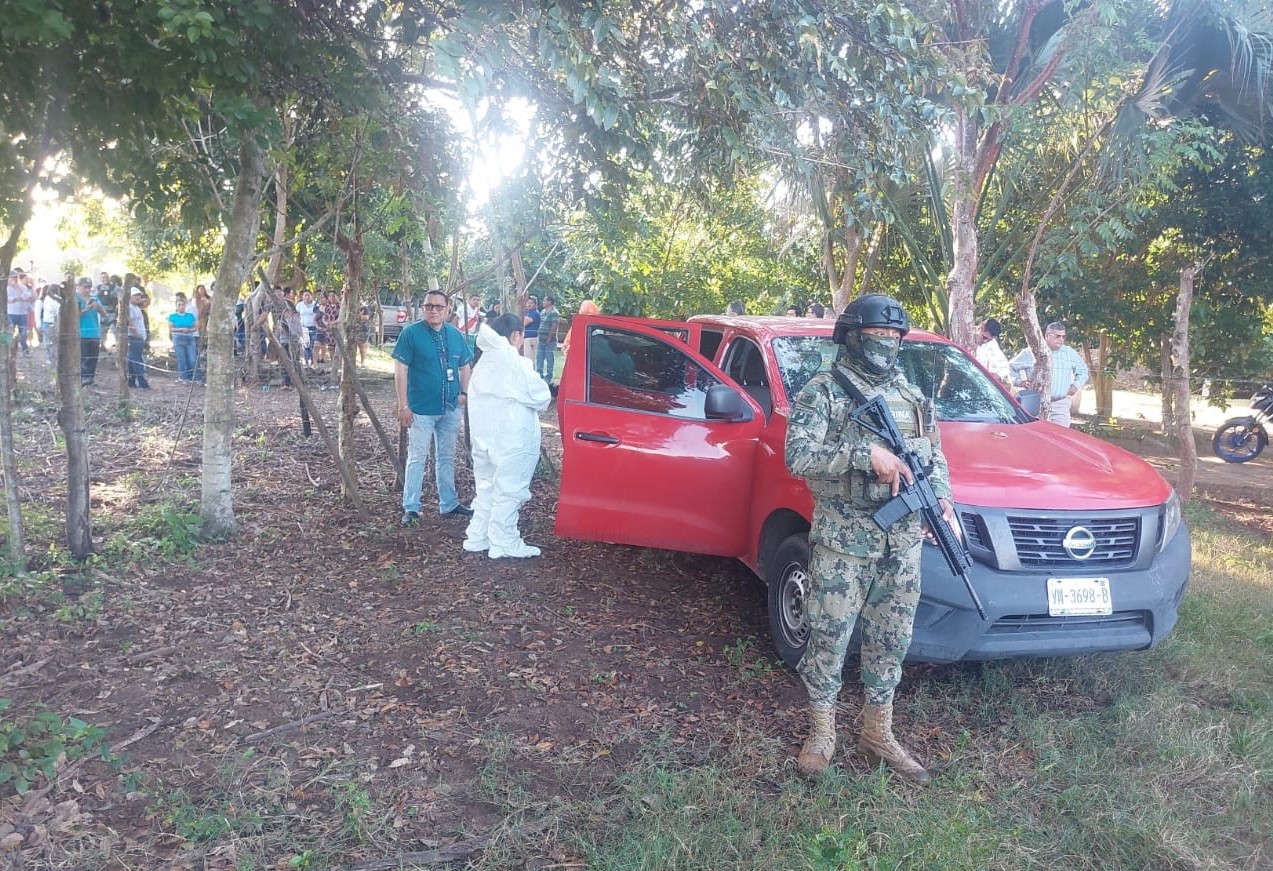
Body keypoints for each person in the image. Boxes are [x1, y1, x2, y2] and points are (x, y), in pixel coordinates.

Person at [784, 293, 957, 784]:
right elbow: (798, 458)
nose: (886, 344)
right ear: (852, 337)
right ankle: (822, 733)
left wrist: (941, 495)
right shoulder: (823, 391)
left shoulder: (913, 395)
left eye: (894, 338)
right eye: (877, 336)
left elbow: (935, 454)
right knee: (830, 637)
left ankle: (877, 731)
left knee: (891, 640)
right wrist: (865, 454)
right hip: (843, 543)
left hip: (901, 545)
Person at [463, 315, 553, 558]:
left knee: (486, 488)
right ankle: (503, 541)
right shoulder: (514, 361)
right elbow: (541, 396)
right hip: (512, 439)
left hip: (484, 438)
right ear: (516, 335)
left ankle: (478, 535)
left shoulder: (483, 362)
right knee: (510, 489)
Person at [394, 289, 474, 525]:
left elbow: (465, 365)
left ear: (448, 309)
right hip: (420, 409)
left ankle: (448, 504)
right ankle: (411, 507)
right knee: (417, 458)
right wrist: (403, 405)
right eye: (429, 306)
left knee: (446, 457)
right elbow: (400, 370)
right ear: (423, 308)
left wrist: (464, 392)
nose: (434, 311)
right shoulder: (411, 334)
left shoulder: (455, 334)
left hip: (450, 408)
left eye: (439, 306)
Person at [1042, 321, 1089, 427]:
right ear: (1047, 335)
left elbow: (1083, 371)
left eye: (1063, 337)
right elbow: (1011, 366)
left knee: (1060, 438)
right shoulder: (1035, 351)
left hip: (1060, 404)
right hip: (1037, 405)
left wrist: (1076, 385)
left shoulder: (1069, 353)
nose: (1061, 339)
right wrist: (1020, 381)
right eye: (1058, 336)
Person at [168, 293, 200, 382]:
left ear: (185, 306)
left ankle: (196, 378)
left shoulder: (190, 316)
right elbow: (171, 328)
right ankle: (183, 377)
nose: (181, 307)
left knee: (193, 359)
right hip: (178, 339)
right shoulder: (172, 316)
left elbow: (196, 327)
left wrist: (189, 330)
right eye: (179, 305)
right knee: (182, 359)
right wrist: (181, 329)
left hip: (189, 338)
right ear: (176, 306)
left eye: (183, 305)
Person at [974, 317, 1011, 386]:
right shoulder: (966, 335)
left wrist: (998, 375)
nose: (986, 341)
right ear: (979, 328)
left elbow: (1004, 365)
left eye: (989, 340)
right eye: (984, 337)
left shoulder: (992, 344)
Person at [126, 287, 151, 389]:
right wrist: (136, 334)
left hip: (139, 337)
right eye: (135, 295)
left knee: (133, 360)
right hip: (134, 337)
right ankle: (142, 382)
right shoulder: (129, 307)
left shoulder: (136, 307)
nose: (138, 297)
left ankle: (131, 381)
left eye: (139, 295)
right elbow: (129, 322)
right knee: (137, 360)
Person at [7, 269, 35, 355]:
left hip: (22, 314)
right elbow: (7, 299)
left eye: (16, 277)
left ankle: (24, 350)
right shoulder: (6, 288)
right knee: (9, 332)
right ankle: (9, 350)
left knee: (23, 333)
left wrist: (17, 288)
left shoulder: (22, 287)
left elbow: (27, 296)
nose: (15, 279)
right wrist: (16, 299)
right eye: (13, 277)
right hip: (11, 313)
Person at [535, 295, 560, 383]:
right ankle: (539, 374)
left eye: (544, 301)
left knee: (549, 357)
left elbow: (554, 326)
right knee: (539, 357)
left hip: (550, 340)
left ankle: (549, 376)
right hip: (541, 339)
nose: (543, 302)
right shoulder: (542, 311)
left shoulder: (554, 312)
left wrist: (549, 337)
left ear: (549, 302)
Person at [297, 289, 318, 366]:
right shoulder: (299, 305)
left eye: (308, 295)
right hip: (304, 328)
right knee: (305, 346)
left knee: (313, 345)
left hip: (313, 328)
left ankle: (313, 362)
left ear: (311, 296)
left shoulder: (316, 305)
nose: (307, 297)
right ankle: (306, 362)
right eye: (305, 295)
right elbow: (296, 315)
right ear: (302, 297)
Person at [521, 295, 540, 363]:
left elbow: (524, 323)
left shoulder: (535, 313)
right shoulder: (527, 312)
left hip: (530, 339)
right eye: (528, 302)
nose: (529, 304)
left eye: (531, 303)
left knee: (529, 360)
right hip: (526, 339)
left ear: (535, 304)